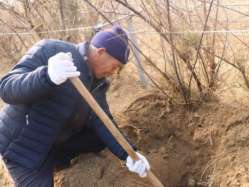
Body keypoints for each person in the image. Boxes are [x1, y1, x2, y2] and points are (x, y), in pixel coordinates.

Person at [0, 25, 150, 187]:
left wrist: (129, 154)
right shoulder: (50, 50)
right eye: (115, 67)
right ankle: (43, 167)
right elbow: (6, 88)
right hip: (22, 147)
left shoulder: (97, 83)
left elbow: (103, 121)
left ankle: (57, 161)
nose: (113, 73)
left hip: (53, 142)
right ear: (100, 52)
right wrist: (47, 76)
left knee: (97, 136)